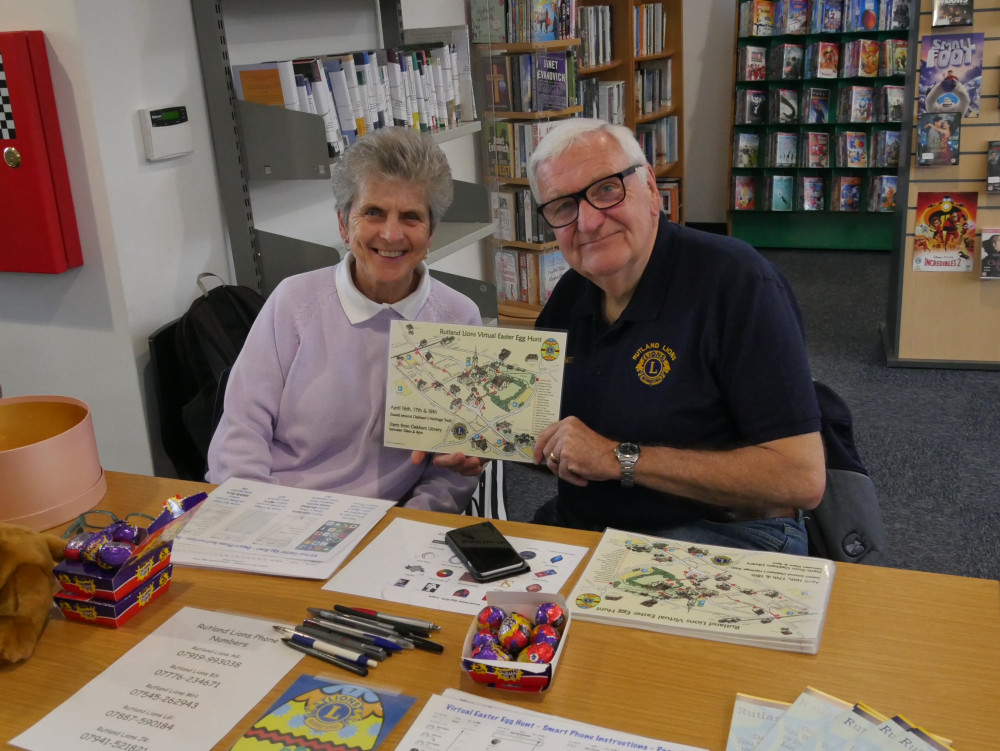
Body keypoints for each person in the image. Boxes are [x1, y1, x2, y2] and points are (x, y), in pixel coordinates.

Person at [524, 118, 826, 554]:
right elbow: (560, 441)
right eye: (562, 207)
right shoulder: (572, 293)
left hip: (723, 531)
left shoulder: (738, 282)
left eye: (607, 189)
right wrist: (483, 444)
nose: (587, 222)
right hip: (590, 522)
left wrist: (617, 459)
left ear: (650, 187)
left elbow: (800, 478)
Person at [206, 127, 481, 512]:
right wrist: (258, 519)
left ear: (431, 232)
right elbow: (239, 435)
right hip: (277, 509)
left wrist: (410, 526)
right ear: (342, 222)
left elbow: (451, 474)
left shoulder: (457, 318)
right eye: (373, 212)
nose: (390, 233)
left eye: (411, 217)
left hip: (389, 523)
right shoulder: (294, 302)